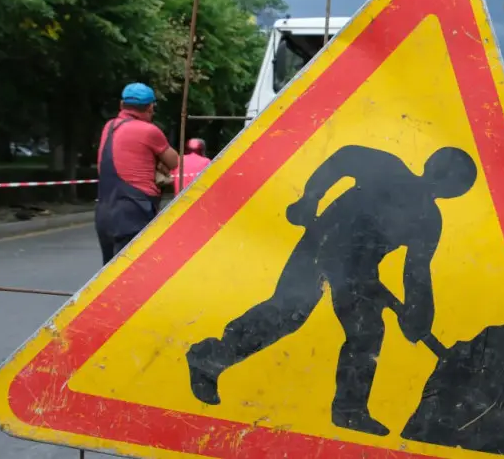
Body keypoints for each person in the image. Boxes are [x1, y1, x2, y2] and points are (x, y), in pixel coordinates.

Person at [185, 144, 478, 436]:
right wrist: (310, 199)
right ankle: (208, 359)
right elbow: (343, 158)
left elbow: (416, 271)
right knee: (289, 312)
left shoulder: (427, 219)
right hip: (321, 246)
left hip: (360, 272)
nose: (442, 183)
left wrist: (418, 315)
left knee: (366, 332)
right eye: (448, 177)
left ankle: (350, 412)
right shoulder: (390, 171)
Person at [94, 83, 179, 266]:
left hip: (105, 211)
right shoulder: (149, 131)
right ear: (150, 107)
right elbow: (174, 161)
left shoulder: (109, 127)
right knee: (134, 271)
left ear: (121, 105)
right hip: (134, 212)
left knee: (110, 273)